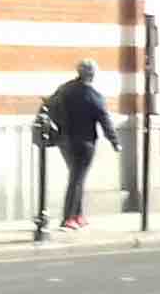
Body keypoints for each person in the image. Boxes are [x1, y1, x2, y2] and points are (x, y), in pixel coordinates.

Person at [45, 61, 119, 231]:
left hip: (65, 141)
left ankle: (78, 215)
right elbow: (104, 120)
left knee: (76, 177)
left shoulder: (64, 89)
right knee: (77, 179)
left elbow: (50, 107)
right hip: (85, 143)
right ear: (92, 74)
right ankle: (68, 218)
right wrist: (114, 141)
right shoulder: (93, 96)